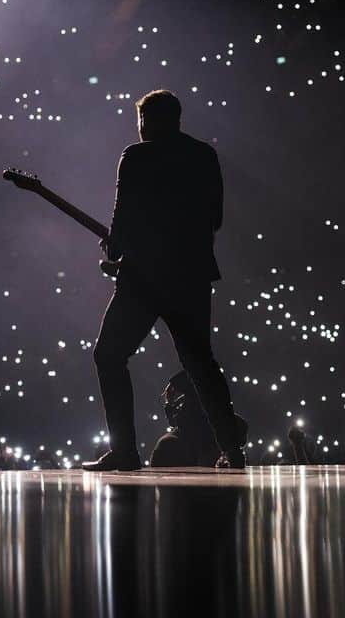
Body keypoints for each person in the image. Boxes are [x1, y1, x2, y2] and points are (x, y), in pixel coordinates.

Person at [82, 89, 247, 471]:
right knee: (200, 363)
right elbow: (215, 218)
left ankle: (124, 451)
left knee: (109, 356)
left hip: (143, 279)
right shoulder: (204, 155)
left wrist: (118, 247)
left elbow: (122, 218)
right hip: (191, 275)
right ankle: (231, 450)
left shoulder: (136, 156)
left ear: (147, 121)